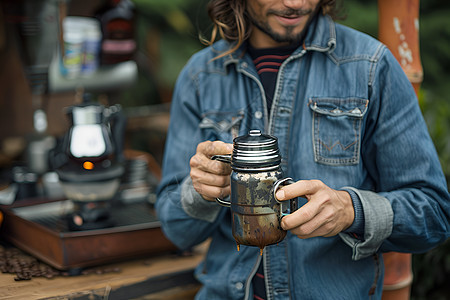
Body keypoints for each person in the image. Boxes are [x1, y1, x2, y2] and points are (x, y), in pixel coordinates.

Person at [156, 0, 450, 299]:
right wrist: (201, 192)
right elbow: (176, 231)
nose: (295, 3)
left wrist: (351, 211)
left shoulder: (370, 66)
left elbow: (434, 213)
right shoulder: (200, 75)